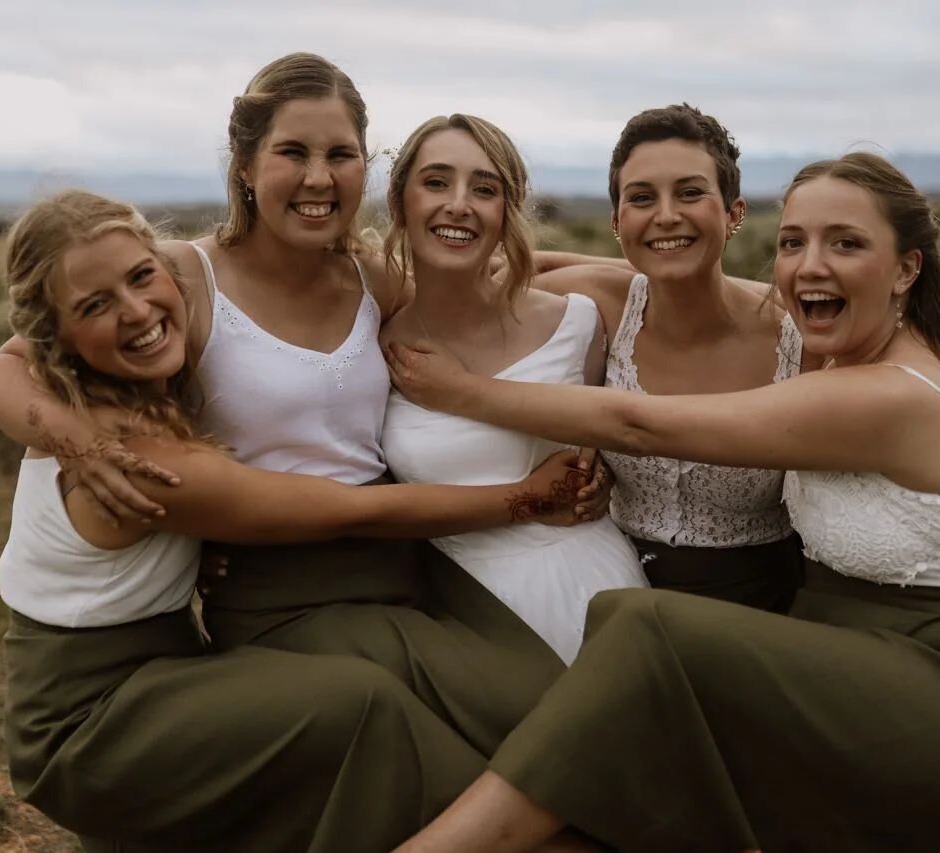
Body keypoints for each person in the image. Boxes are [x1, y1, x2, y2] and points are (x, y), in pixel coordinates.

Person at [0, 54, 579, 772]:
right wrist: (81, 443)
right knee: (487, 738)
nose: (318, 178)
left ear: (365, 165)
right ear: (244, 165)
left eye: (340, 154)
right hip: (282, 587)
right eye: (292, 152)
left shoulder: (373, 276)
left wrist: (655, 280)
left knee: (544, 706)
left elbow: (501, 273)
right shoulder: (179, 275)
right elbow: (6, 367)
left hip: (406, 557)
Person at [0, 190, 591, 853]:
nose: (135, 311)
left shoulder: (111, 393)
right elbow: (343, 510)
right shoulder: (124, 451)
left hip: (163, 668)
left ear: (167, 266)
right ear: (56, 336)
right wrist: (521, 497)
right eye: (94, 306)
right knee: (355, 704)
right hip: (90, 719)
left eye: (140, 276)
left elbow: (464, 275)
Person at [386, 151, 940, 852]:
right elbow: (568, 268)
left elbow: (640, 425)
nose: (809, 266)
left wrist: (460, 392)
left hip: (916, 674)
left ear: (905, 268)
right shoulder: (852, 345)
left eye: (846, 243)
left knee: (648, 629)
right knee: (618, 614)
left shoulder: (884, 392)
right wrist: (438, 261)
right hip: (842, 649)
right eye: (793, 242)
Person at [380, 114, 646, 663]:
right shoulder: (373, 345)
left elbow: (609, 437)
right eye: (436, 182)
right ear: (399, 200)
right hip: (451, 614)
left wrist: (608, 476)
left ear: (507, 211)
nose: (459, 204)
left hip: (593, 587)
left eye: (485, 189)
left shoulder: (577, 323)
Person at [530, 104, 808, 612]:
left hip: (760, 601)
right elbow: (493, 276)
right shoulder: (610, 303)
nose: (665, 214)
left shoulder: (796, 332)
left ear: (734, 213)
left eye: (689, 192)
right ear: (617, 221)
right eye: (642, 198)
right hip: (606, 580)